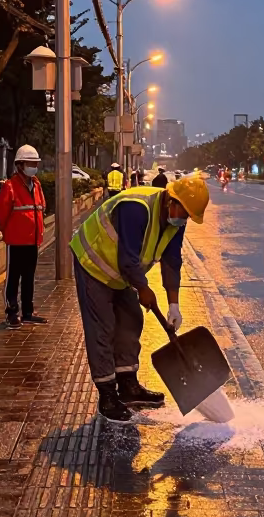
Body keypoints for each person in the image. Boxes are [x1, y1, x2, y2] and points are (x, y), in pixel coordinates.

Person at [70, 176, 210, 423]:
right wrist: (144, 289)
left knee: (132, 319)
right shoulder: (136, 207)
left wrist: (174, 305)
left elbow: (172, 261)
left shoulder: (176, 220)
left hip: (120, 273)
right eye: (184, 213)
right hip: (93, 263)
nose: (184, 219)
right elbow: (128, 259)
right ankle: (107, 395)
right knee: (102, 328)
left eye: (189, 216)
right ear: (171, 200)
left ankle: (127, 384)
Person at [0, 145, 48, 327]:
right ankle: (12, 312)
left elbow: (41, 208)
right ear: (20, 165)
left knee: (28, 278)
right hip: (16, 242)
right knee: (13, 279)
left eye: (35, 163)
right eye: (30, 163)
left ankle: (27, 312)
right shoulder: (10, 187)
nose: (34, 166)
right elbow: (1, 214)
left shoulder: (37, 185)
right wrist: (9, 233)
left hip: (33, 241)